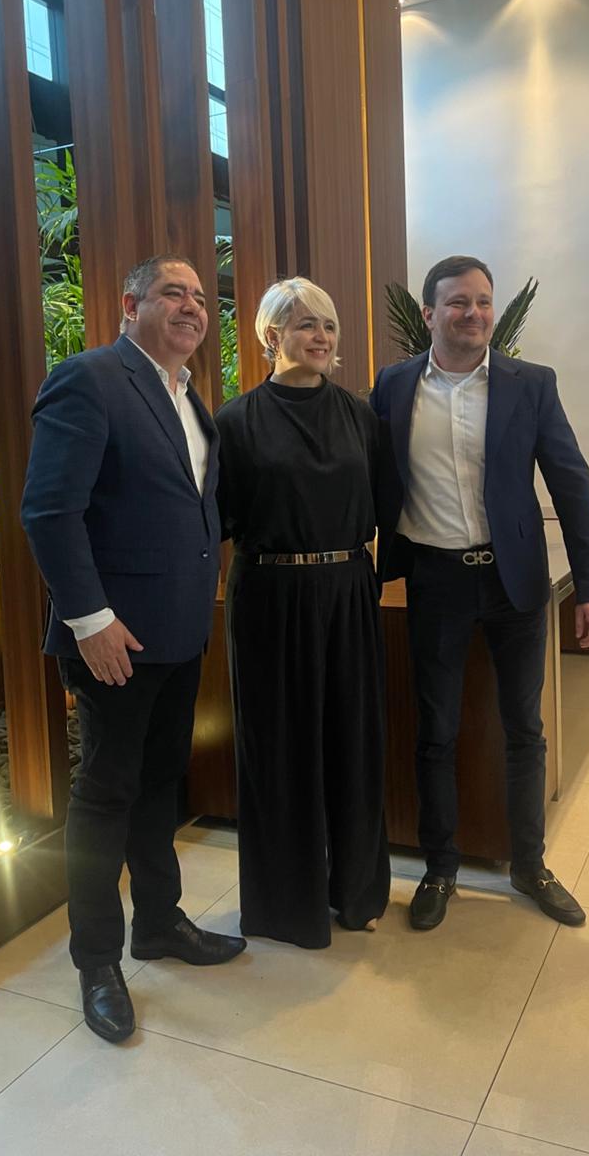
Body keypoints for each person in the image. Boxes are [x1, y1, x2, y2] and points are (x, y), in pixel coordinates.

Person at [21, 254, 245, 1044]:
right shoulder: (90, 380)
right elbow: (50, 511)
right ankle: (96, 962)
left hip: (178, 631)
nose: (192, 306)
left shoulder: (189, 397)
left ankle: (158, 921)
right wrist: (90, 619)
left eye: (201, 298)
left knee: (159, 784)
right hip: (113, 637)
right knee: (105, 794)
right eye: (173, 293)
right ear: (129, 304)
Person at [370, 255, 589, 932]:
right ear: (428, 314)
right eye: (457, 303)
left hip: (514, 582)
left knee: (524, 729)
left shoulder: (531, 384)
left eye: (482, 301)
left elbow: (571, 482)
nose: (473, 314)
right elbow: (371, 477)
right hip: (435, 580)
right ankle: (440, 867)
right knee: (436, 732)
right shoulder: (392, 387)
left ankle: (529, 865)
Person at [216, 277, 391, 949]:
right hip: (268, 595)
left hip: (347, 588)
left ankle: (356, 891)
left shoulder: (360, 417)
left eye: (329, 325)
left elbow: (386, 502)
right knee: (278, 750)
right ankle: (286, 908)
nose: (321, 337)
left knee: (353, 741)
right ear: (272, 335)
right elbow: (219, 516)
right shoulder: (235, 421)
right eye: (305, 324)